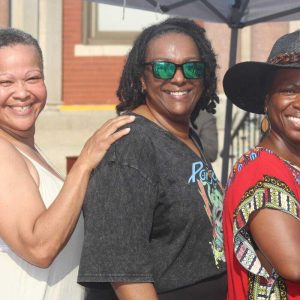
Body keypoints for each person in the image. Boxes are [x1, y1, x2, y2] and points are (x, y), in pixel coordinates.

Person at [78, 17, 226, 300]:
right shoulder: (130, 146)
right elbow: (124, 272)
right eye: (163, 68)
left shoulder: (186, 134)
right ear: (141, 79)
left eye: (192, 67)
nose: (179, 77)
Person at [0, 28, 135, 300]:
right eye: (5, 83)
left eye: (33, 78)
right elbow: (39, 248)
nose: (22, 92)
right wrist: (85, 162)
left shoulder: (28, 150)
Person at [222, 30, 300, 299]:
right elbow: (294, 264)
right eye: (289, 90)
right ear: (267, 101)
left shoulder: (291, 164)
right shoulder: (261, 169)